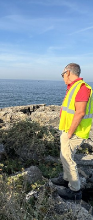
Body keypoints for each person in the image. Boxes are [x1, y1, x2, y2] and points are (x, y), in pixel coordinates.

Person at [51, 63, 93, 200]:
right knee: (65, 156)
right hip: (69, 130)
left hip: (74, 132)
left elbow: (80, 113)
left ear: (68, 72)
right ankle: (66, 179)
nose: (62, 77)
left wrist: (69, 133)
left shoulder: (81, 88)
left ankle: (75, 190)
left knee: (68, 159)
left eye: (62, 74)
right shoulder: (74, 87)